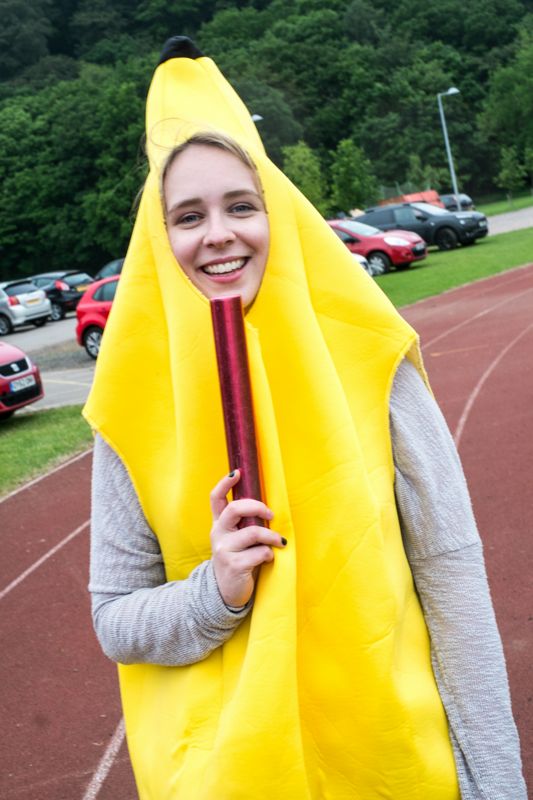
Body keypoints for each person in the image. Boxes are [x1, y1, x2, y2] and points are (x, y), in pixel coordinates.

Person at [85, 39, 526, 800]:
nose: (217, 233)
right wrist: (214, 590)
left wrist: (494, 782)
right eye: (186, 215)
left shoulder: (371, 357)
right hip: (231, 776)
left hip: (389, 764)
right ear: (158, 241)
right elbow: (115, 619)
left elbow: (450, 577)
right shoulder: (127, 401)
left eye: (240, 205)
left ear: (277, 213)